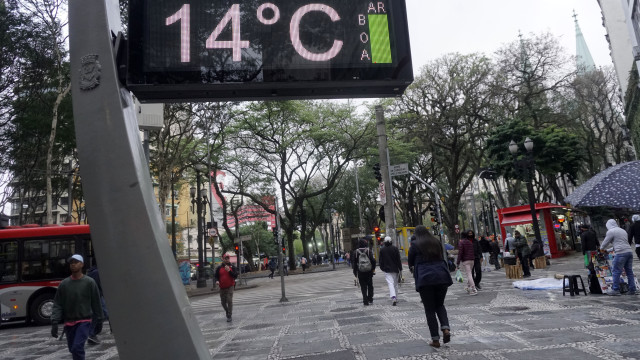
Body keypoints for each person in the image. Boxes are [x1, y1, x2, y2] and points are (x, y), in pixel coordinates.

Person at [51, 254, 104, 360]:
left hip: (84, 321)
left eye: (76, 262)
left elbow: (96, 301)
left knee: (77, 347)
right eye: (71, 263)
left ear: (82, 264)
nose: (73, 265)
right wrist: (54, 321)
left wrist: (100, 318)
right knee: (72, 349)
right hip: (69, 322)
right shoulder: (64, 284)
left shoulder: (89, 282)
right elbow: (58, 303)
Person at [408, 225, 452, 348]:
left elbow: (410, 261)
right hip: (442, 276)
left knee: (429, 309)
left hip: (425, 278)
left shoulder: (415, 245)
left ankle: (435, 339)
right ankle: (446, 328)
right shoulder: (435, 241)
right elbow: (443, 256)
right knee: (440, 304)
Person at [600, 219, 637, 296]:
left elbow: (605, 242)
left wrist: (601, 249)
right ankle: (632, 289)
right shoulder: (622, 231)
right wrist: (608, 250)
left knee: (616, 271)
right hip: (629, 252)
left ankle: (615, 289)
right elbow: (620, 243)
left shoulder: (611, 231)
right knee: (629, 272)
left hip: (621, 253)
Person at [86, 260, 109, 343]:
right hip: (97, 296)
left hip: (97, 295)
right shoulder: (96, 272)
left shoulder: (94, 271)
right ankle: (92, 333)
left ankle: (93, 333)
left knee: (100, 314)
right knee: (103, 313)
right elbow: (98, 285)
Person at [379, 236, 403, 306]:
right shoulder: (395, 249)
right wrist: (400, 268)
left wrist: (382, 268)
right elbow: (398, 259)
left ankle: (393, 297)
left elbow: (380, 261)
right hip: (395, 269)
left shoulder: (382, 250)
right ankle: (396, 297)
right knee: (395, 284)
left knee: (390, 283)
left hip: (387, 269)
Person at [214, 254, 238, 322]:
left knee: (229, 300)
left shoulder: (232, 267)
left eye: (228, 258)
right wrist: (217, 281)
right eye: (225, 258)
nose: (227, 259)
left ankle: (229, 315)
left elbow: (235, 276)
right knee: (223, 302)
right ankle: (227, 311)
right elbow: (216, 276)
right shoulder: (219, 268)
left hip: (230, 286)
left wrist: (229, 271)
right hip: (222, 287)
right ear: (223, 259)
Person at [352, 238, 376, 305]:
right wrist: (373, 269)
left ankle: (365, 300)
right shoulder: (368, 251)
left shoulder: (356, 252)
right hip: (369, 271)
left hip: (360, 272)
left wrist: (355, 272)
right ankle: (370, 298)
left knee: (363, 286)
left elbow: (354, 264)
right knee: (370, 285)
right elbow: (373, 261)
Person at [456, 230, 477, 295]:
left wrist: (458, 262)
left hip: (466, 260)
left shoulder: (461, 242)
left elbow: (460, 253)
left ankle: (473, 289)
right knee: (470, 273)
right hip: (472, 260)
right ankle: (468, 287)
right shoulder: (469, 242)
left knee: (469, 274)